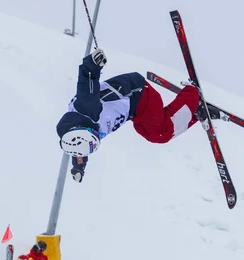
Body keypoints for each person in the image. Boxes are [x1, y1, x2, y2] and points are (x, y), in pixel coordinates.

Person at [57, 49, 220, 182]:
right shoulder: (78, 136)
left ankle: (193, 96)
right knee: (150, 133)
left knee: (161, 131)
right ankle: (193, 111)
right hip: (134, 110)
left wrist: (92, 64)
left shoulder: (86, 108)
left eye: (94, 137)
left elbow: (86, 82)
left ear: (82, 129)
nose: (96, 136)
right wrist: (79, 166)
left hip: (138, 93)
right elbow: (80, 150)